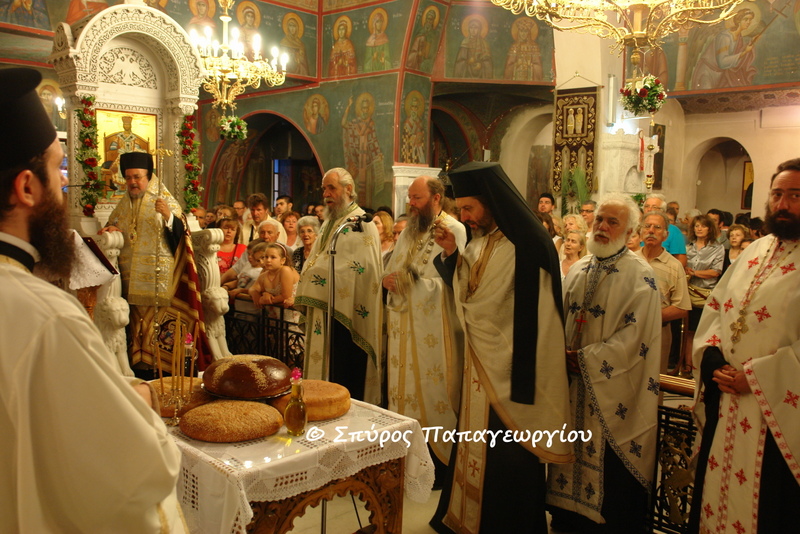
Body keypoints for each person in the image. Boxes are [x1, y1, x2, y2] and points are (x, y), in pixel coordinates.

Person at [0, 67, 186, 532]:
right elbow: (133, 470)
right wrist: (142, 400)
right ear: (27, 187)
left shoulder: (163, 200)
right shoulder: (46, 315)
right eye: (58, 169)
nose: (64, 183)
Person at [430, 162, 572, 533]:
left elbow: (520, 310)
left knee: (505, 453)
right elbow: (470, 292)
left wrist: (483, 326)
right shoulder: (481, 241)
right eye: (461, 209)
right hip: (480, 362)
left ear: (491, 202)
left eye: (469, 208)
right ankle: (463, 517)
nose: (464, 217)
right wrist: (452, 255)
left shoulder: (527, 243)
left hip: (511, 368)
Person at [689, 158, 800, 533]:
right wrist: (713, 360)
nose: (783, 204)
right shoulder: (754, 251)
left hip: (778, 411)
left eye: (796, 195)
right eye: (777, 194)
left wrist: (755, 377)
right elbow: (716, 309)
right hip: (728, 401)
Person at [548, 193, 661, 534]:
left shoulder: (640, 275)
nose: (602, 227)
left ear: (629, 232)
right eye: (599, 219)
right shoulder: (579, 268)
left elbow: (636, 339)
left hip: (614, 389)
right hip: (571, 384)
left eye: (613, 222)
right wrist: (558, 352)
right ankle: (568, 516)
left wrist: (584, 359)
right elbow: (557, 318)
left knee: (610, 467)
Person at [383, 176, 467, 482]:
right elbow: (393, 268)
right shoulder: (410, 229)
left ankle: (438, 465)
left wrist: (412, 285)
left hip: (435, 332)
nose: (411, 204)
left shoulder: (454, 229)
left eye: (417, 198)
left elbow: (460, 282)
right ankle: (402, 459)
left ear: (436, 198)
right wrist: (387, 280)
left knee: (433, 392)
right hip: (403, 326)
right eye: (410, 197)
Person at [294, 168, 383, 402]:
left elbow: (362, 268)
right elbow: (318, 256)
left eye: (331, 188)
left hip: (347, 311)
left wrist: (315, 275)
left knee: (344, 367)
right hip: (325, 306)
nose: (326, 194)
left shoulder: (360, 223)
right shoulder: (330, 221)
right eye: (324, 188)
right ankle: (319, 402)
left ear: (348, 189)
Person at [100, 151, 185, 372]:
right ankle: (138, 368)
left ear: (149, 177)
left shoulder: (164, 200)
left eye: (137, 177)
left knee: (158, 326)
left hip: (159, 280)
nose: (132, 182)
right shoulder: (123, 204)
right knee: (133, 325)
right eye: (128, 178)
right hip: (129, 280)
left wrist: (168, 216)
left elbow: (182, 234)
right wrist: (111, 228)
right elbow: (112, 224)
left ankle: (163, 370)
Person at [636, 211, 691, 375]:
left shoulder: (674, 266)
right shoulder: (630, 260)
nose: (651, 230)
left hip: (658, 331)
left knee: (653, 378)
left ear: (666, 235)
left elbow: (682, 307)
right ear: (640, 231)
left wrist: (649, 316)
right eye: (647, 226)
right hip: (627, 330)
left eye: (657, 227)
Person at [679, 214, 724, 378]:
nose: (699, 229)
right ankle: (687, 366)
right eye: (697, 225)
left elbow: (716, 272)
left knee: (702, 332)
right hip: (687, 292)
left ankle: (699, 367)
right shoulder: (688, 247)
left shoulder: (717, 248)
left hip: (705, 295)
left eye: (703, 226)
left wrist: (695, 273)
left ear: (710, 228)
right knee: (687, 331)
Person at [249, 242, 299, 308]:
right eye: (266, 257)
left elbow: (286, 296)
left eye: (273, 257)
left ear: (282, 260)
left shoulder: (285, 270)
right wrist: (262, 294)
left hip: (290, 309)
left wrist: (265, 300)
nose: (268, 260)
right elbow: (253, 288)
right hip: (274, 311)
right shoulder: (263, 275)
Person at [644, 193, 687, 265]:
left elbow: (681, 260)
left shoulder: (673, 231)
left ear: (663, 211)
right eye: (647, 206)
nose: (649, 209)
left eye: (654, 207)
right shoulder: (637, 227)